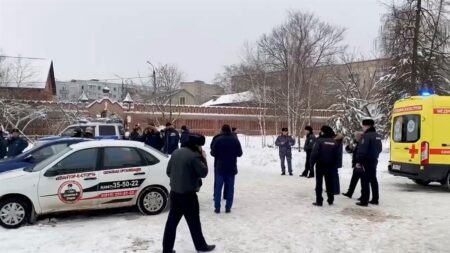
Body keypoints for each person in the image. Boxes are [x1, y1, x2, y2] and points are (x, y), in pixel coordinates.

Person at [162, 133, 215, 253]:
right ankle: (201, 246)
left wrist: (178, 179)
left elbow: (168, 171)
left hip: (175, 193)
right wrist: (204, 158)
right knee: (194, 222)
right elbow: (203, 173)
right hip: (188, 195)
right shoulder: (194, 156)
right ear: (196, 145)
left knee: (171, 224)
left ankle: (167, 249)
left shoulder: (176, 152)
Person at [211, 124, 243, 213]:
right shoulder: (235, 140)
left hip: (220, 167)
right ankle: (228, 207)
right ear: (230, 130)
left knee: (218, 188)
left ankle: (217, 207)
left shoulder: (218, 139)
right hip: (231, 167)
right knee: (230, 188)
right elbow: (240, 153)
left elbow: (213, 153)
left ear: (222, 130)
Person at [310, 125, 340, 206]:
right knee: (329, 183)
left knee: (319, 184)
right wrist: (335, 165)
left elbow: (314, 153)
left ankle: (319, 201)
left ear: (323, 132)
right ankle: (331, 199)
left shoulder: (319, 141)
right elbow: (337, 155)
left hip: (320, 165)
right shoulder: (335, 142)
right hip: (330, 166)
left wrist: (311, 164)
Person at [356, 119, 382, 207]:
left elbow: (362, 149)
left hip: (365, 161)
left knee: (365, 180)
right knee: (373, 179)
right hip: (374, 160)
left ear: (367, 126)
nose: (362, 127)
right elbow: (380, 149)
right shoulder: (377, 135)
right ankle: (375, 199)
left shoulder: (366, 136)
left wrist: (359, 160)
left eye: (363, 126)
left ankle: (364, 200)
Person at [342, 131, 364, 199]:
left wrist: (360, 163)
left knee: (363, 181)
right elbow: (351, 151)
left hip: (360, 164)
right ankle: (350, 193)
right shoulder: (356, 143)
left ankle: (363, 195)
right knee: (354, 179)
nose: (355, 137)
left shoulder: (363, 143)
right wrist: (348, 147)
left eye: (357, 136)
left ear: (360, 136)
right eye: (355, 136)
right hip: (356, 164)